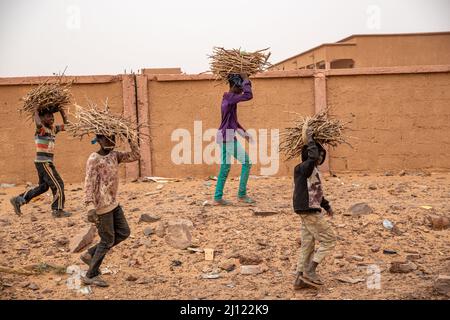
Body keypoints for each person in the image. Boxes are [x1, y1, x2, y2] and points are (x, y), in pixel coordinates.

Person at [80, 134, 139, 287]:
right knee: (107, 240)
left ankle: (90, 254)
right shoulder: (94, 159)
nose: (111, 142)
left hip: (113, 204)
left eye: (113, 138)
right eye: (107, 139)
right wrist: (90, 207)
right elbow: (88, 184)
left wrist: (130, 139)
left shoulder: (115, 155)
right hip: (101, 207)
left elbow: (136, 155)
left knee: (124, 232)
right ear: (99, 140)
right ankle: (90, 275)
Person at [293, 128, 336, 288]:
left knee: (308, 244)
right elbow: (311, 157)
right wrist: (310, 139)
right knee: (330, 239)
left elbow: (317, 193)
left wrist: (326, 206)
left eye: (322, 156)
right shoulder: (303, 168)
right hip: (309, 210)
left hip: (309, 209)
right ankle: (310, 270)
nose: (320, 158)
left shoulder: (314, 171)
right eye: (319, 155)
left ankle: (299, 278)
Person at [10, 108, 71, 218]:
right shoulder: (41, 130)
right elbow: (38, 124)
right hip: (44, 163)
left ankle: (19, 200)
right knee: (58, 184)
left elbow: (67, 126)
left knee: (43, 187)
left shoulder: (53, 129)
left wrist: (61, 111)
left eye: (52, 116)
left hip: (43, 162)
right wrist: (36, 110)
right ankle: (57, 210)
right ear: (42, 118)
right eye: (48, 116)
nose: (51, 118)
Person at [214, 73, 255, 205]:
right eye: (240, 87)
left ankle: (217, 198)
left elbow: (233, 121)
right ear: (235, 86)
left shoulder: (228, 99)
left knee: (225, 167)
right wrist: (246, 80)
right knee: (247, 162)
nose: (241, 91)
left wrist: (244, 134)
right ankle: (242, 195)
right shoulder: (231, 98)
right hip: (227, 136)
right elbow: (249, 95)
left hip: (223, 134)